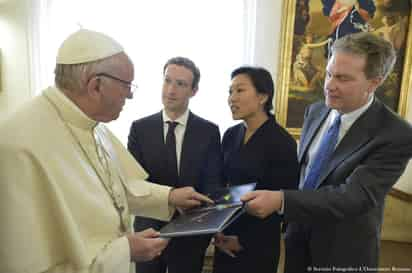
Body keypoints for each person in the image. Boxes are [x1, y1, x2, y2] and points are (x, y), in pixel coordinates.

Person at [0, 29, 213, 273]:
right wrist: (125, 252)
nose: (130, 95)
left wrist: (169, 197)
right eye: (126, 85)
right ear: (96, 85)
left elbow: (116, 190)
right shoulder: (16, 146)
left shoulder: (95, 127)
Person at [242, 32, 412, 272]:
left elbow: (353, 196)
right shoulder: (316, 111)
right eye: (330, 73)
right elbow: (303, 174)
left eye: (343, 78)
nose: (329, 85)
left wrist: (281, 200)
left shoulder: (395, 133)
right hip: (296, 242)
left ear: (374, 82)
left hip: (344, 254)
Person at [127, 57, 223, 273]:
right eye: (167, 81)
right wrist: (170, 200)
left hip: (191, 233)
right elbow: (134, 182)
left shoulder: (208, 131)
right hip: (148, 231)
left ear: (194, 91)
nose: (171, 90)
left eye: (180, 84)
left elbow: (213, 183)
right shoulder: (140, 128)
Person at [212, 66, 299, 273]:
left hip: (257, 244)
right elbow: (223, 189)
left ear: (262, 97)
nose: (232, 98)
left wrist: (243, 241)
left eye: (240, 91)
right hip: (224, 236)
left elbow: (283, 203)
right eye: (230, 92)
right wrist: (216, 229)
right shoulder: (230, 135)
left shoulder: (282, 142)